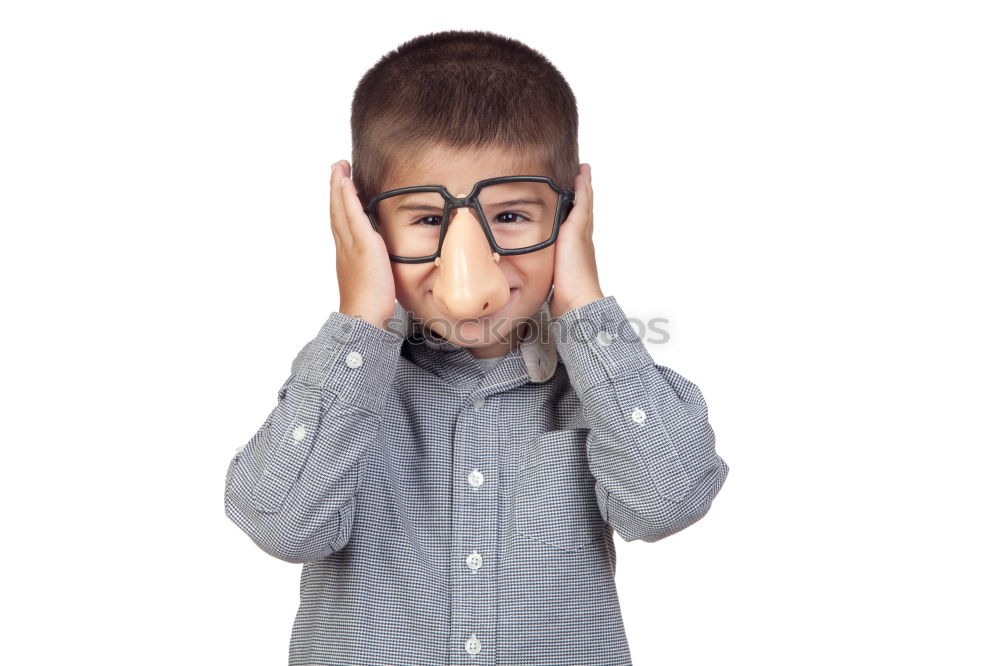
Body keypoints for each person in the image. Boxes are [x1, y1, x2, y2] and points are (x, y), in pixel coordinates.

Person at [224, 28, 729, 665]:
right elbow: (278, 523)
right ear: (367, 228)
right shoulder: (342, 396)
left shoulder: (601, 389)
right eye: (428, 219)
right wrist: (361, 316)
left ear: (566, 219)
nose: (470, 276)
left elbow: (668, 502)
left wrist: (583, 307)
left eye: (512, 216)